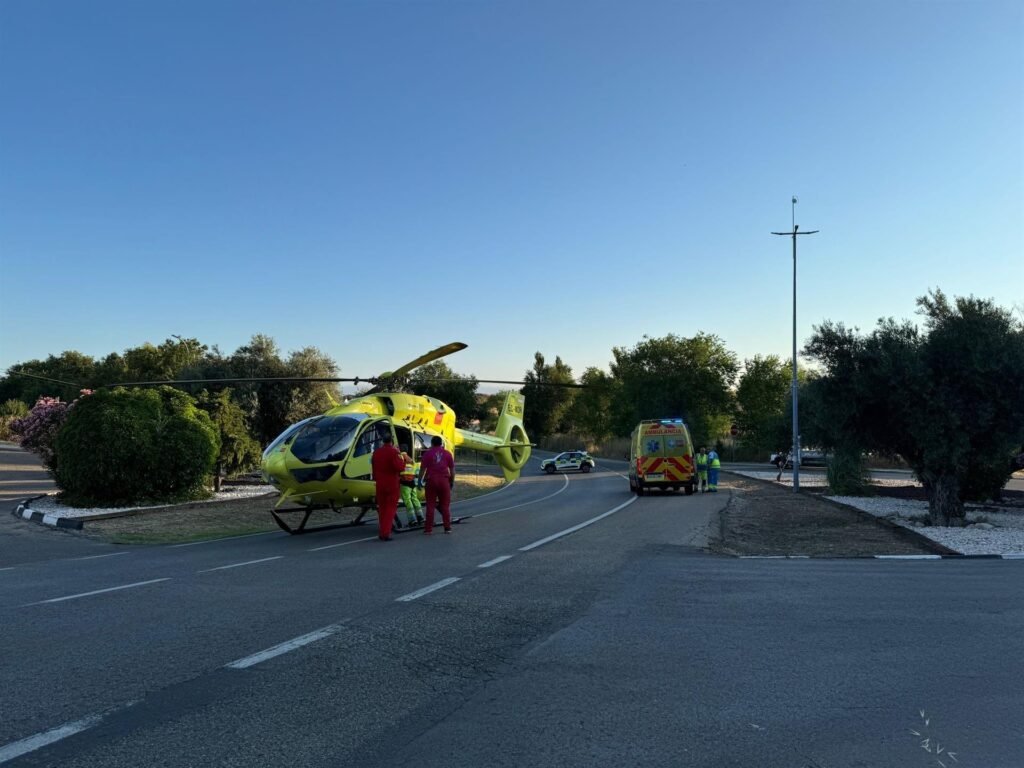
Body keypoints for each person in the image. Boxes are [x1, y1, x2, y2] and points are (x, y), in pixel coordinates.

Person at [417, 435, 455, 534]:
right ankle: (447, 528)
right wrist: (451, 481)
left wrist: (419, 481)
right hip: (444, 481)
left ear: (432, 443)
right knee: (445, 506)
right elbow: (452, 470)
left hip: (431, 481)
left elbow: (422, 469)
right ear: (441, 443)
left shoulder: (427, 454)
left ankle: (428, 529)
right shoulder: (447, 454)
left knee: (430, 505)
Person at [371, 433, 405, 541]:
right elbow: (399, 467)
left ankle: (382, 531)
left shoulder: (376, 453)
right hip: (391, 483)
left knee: (382, 508)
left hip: (380, 483)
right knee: (390, 508)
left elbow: (374, 468)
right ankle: (385, 533)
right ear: (391, 441)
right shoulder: (394, 452)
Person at [398, 444, 425, 527]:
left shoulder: (400, 457)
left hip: (405, 482)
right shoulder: (411, 459)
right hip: (412, 483)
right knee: (415, 499)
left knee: (407, 501)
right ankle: (421, 517)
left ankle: (412, 520)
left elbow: (398, 468)